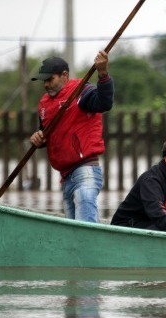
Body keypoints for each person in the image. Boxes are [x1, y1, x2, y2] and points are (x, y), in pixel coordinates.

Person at [29, 51, 114, 223]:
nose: (46, 85)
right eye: (43, 81)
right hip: (66, 178)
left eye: (49, 79)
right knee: (73, 235)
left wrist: (103, 74)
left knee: (84, 229)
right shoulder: (44, 103)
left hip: (85, 172)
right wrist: (39, 138)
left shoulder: (81, 92)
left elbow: (105, 103)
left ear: (64, 76)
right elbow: (46, 132)